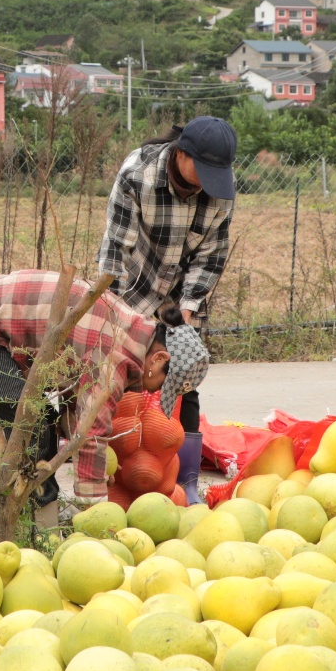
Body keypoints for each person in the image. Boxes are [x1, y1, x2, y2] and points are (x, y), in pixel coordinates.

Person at [0, 268, 169, 506]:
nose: (153, 391)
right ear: (159, 359)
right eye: (163, 383)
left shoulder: (130, 331)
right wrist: (94, 505)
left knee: (44, 417)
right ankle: (29, 514)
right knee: (27, 419)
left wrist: (94, 468)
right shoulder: (116, 354)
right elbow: (90, 433)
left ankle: (35, 512)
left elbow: (74, 412)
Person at [96, 115, 237, 501]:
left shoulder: (221, 191)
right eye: (204, 170)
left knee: (184, 374)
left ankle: (184, 481)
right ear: (182, 154)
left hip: (180, 297)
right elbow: (115, 252)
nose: (210, 181)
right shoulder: (137, 174)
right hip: (133, 289)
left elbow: (210, 257)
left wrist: (184, 319)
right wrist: (121, 320)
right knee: (127, 379)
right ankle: (120, 478)